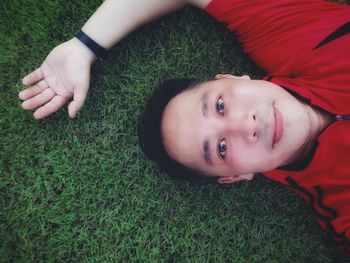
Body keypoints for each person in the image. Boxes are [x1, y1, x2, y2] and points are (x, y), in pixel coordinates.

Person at [19, 0, 350, 256]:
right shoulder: (341, 211)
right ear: (235, 176)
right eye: (220, 148)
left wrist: (84, 45)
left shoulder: (301, 39)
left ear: (231, 79)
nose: (243, 126)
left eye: (220, 105)